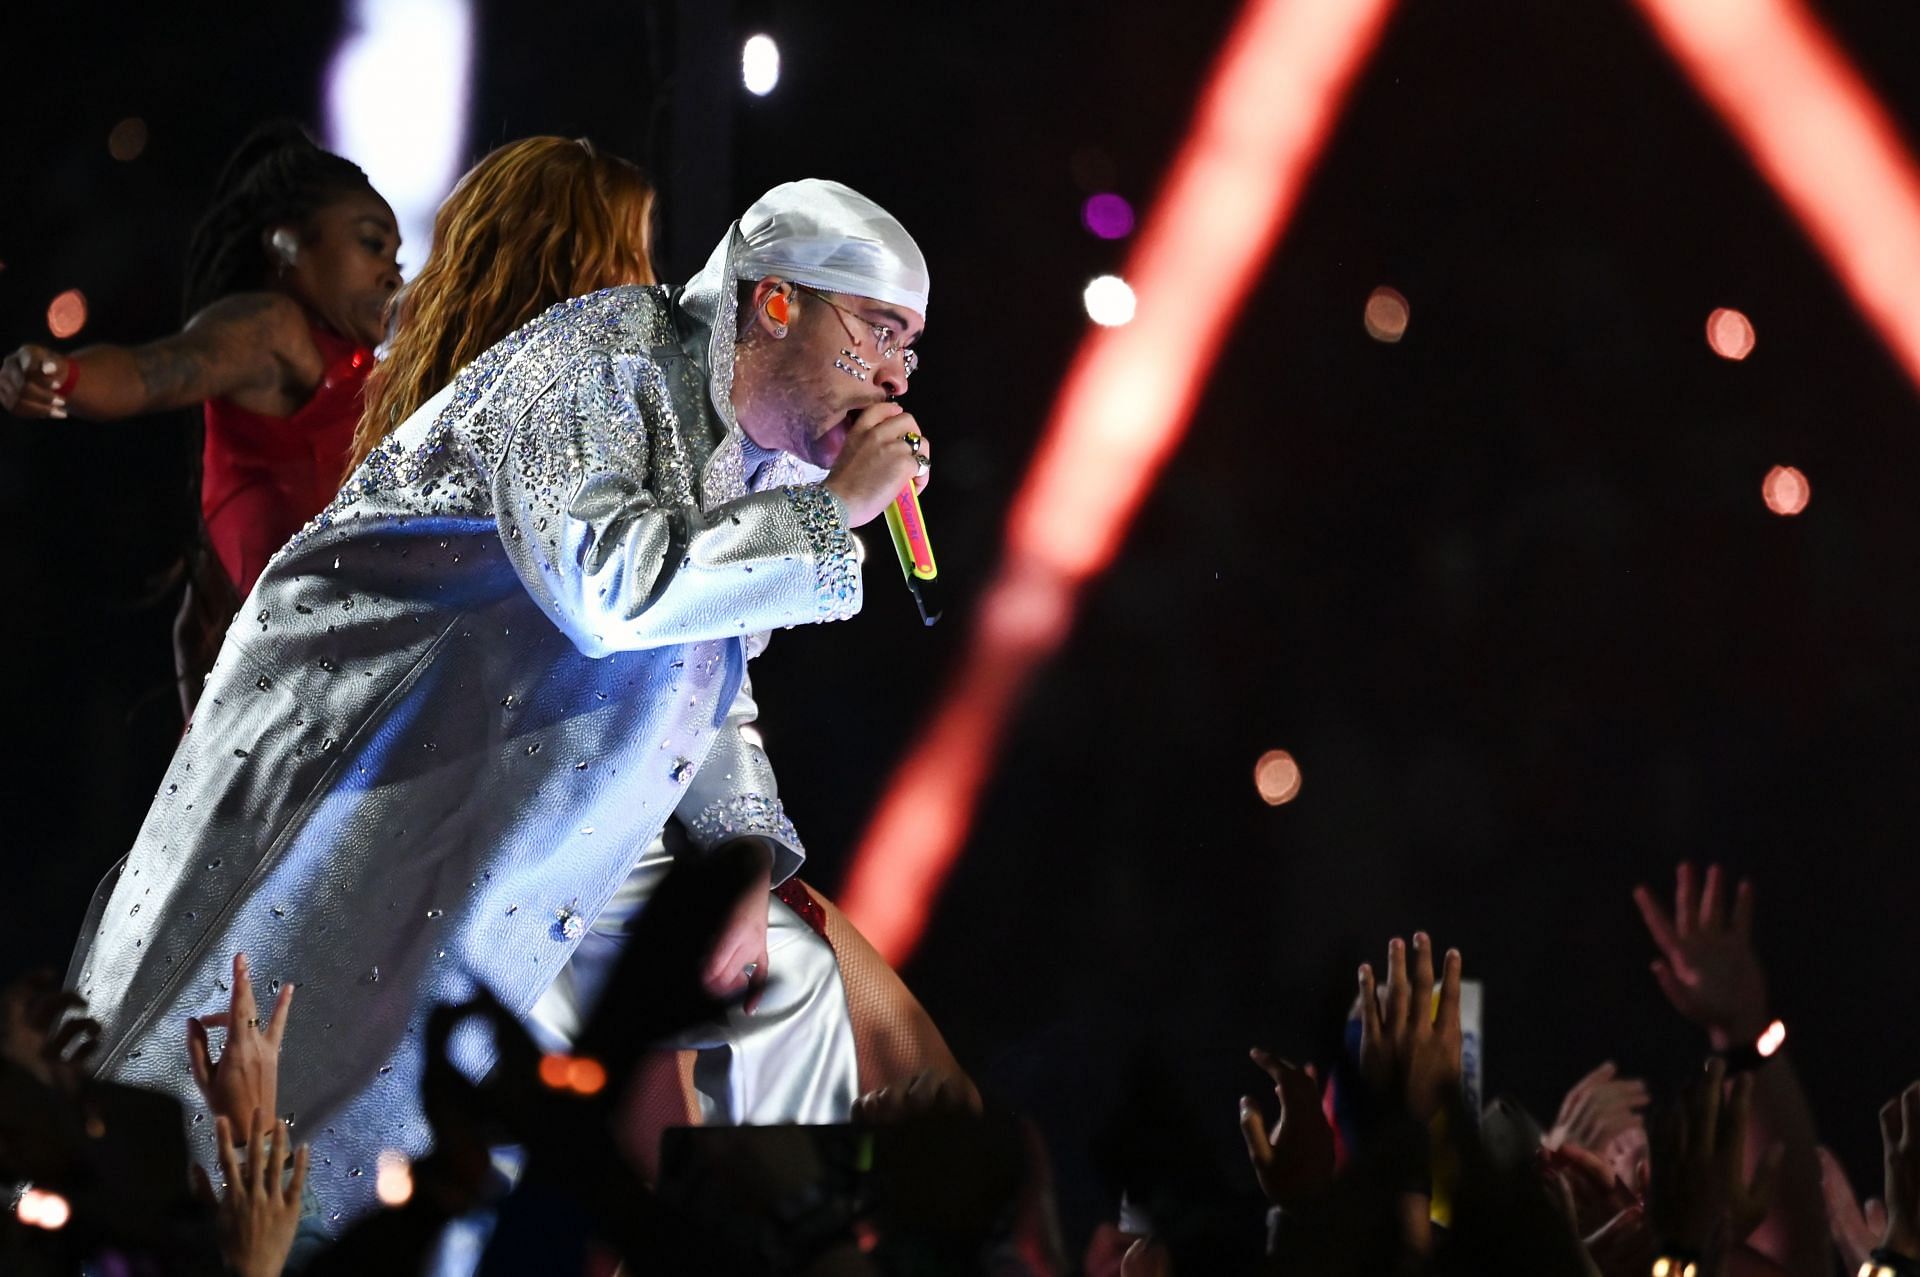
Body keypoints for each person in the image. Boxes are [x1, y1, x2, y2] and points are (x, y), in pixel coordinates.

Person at [65, 177, 934, 1230]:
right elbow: (608, 592)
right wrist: (828, 513)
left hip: (524, 811)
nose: (895, 372)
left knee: (782, 985)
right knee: (228, 1087)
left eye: (911, 346)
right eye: (879, 329)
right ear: (777, 301)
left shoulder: (757, 456)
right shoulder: (605, 366)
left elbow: (711, 673)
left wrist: (742, 861)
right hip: (368, 759)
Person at [0, 121, 401, 711]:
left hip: (349, 720)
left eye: (397, 255)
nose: (392, 271)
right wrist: (62, 377)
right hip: (326, 739)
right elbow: (150, 372)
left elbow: (198, 623)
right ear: (286, 246)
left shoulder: (366, 375)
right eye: (371, 244)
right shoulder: (274, 332)